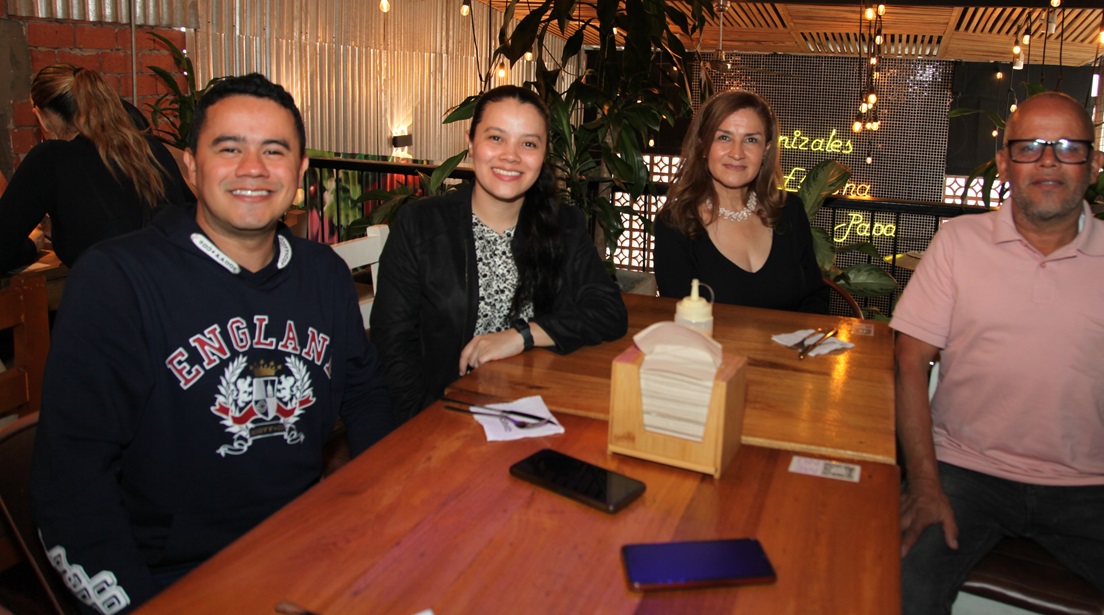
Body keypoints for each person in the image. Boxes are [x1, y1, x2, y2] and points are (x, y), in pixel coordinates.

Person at [31, 73, 395, 613]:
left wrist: (394, 513)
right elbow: (70, 487)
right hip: (174, 577)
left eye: (274, 151)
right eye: (230, 149)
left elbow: (367, 398)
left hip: (306, 546)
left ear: (299, 172)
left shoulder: (323, 274)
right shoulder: (116, 281)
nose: (253, 168)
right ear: (190, 167)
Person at [893, 91, 1104, 615]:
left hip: (1093, 488)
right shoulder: (958, 242)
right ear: (1004, 164)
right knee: (894, 583)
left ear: (1091, 163)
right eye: (1030, 147)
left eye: (1066, 146)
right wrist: (924, 483)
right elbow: (909, 361)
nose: (1047, 160)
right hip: (963, 472)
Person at [371, 85, 628, 423]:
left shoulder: (563, 225)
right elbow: (393, 343)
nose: (511, 155)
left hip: (535, 405)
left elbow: (608, 312)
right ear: (471, 142)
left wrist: (522, 335)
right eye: (496, 138)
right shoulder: (420, 225)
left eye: (528, 143)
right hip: (444, 411)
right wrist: (420, 426)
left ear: (543, 153)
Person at [0, 64, 194, 272]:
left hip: (114, 296)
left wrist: (33, 243)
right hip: (178, 289)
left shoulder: (50, 157)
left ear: (46, 115)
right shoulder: (150, 147)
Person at [654, 89, 828, 314]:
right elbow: (683, 318)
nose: (737, 153)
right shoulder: (674, 224)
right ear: (704, 145)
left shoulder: (789, 211)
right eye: (724, 137)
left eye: (751, 140)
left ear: (765, 150)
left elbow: (815, 296)